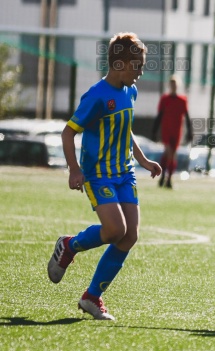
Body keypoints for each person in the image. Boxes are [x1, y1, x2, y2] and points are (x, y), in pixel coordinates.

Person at [48, 32, 162, 321]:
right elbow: (68, 131)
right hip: (98, 175)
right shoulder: (97, 96)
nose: (141, 71)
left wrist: (144, 160)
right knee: (114, 231)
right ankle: (69, 245)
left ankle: (92, 297)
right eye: (137, 66)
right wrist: (75, 169)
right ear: (120, 64)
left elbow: (125, 130)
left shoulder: (130, 91)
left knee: (129, 235)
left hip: (125, 174)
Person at [151, 75, 193, 189]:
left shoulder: (182, 100)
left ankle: (168, 178)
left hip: (177, 130)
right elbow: (159, 115)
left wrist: (190, 131)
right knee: (168, 152)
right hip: (167, 130)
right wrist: (154, 131)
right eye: (172, 84)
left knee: (172, 155)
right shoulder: (165, 99)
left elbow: (187, 116)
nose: (173, 86)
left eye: (175, 84)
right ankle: (164, 176)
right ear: (169, 85)